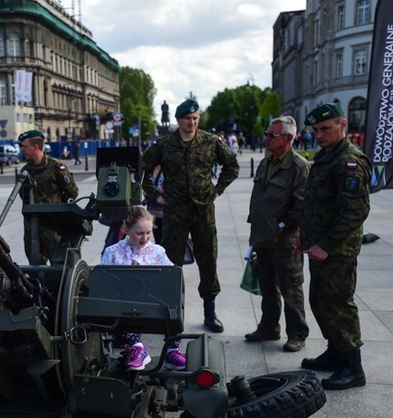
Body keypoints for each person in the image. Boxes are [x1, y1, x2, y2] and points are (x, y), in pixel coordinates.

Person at [142, 99, 239, 333]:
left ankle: (210, 312)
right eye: (188, 118)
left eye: (195, 118)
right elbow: (142, 170)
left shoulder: (210, 141)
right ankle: (169, 312)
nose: (192, 122)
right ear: (178, 120)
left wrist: (217, 190)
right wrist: (156, 195)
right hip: (175, 212)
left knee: (208, 260)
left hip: (203, 210)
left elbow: (232, 166)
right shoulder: (164, 144)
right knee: (170, 262)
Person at [298, 103, 370, 390]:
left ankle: (353, 367)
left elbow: (356, 211)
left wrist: (326, 245)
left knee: (339, 305)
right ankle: (335, 351)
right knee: (320, 301)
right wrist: (303, 236)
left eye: (325, 129)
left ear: (343, 125)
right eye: (315, 130)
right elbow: (317, 204)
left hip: (337, 250)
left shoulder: (349, 161)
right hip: (318, 246)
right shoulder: (326, 157)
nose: (319, 135)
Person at [245, 116, 310, 352]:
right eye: (267, 134)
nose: (266, 139)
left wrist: (281, 226)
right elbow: (257, 200)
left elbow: (301, 205)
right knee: (267, 287)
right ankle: (269, 326)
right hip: (263, 238)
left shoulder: (299, 167)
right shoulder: (265, 163)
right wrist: (254, 231)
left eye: (272, 135)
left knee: (291, 288)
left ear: (289, 139)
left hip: (285, 242)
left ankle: (297, 334)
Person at [101, 206, 186, 371]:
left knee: (173, 296)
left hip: (154, 300)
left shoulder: (157, 252)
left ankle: (172, 350)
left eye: (149, 232)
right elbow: (104, 283)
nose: (145, 237)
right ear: (125, 229)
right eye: (139, 233)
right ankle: (137, 348)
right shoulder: (112, 253)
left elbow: (171, 279)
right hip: (125, 304)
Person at [17, 129, 78, 265]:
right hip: (32, 226)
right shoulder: (25, 171)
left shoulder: (56, 167)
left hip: (53, 226)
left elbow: (71, 192)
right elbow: (23, 196)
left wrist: (58, 210)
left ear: (36, 146)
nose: (22, 150)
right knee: (35, 265)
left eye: (25, 146)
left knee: (59, 264)